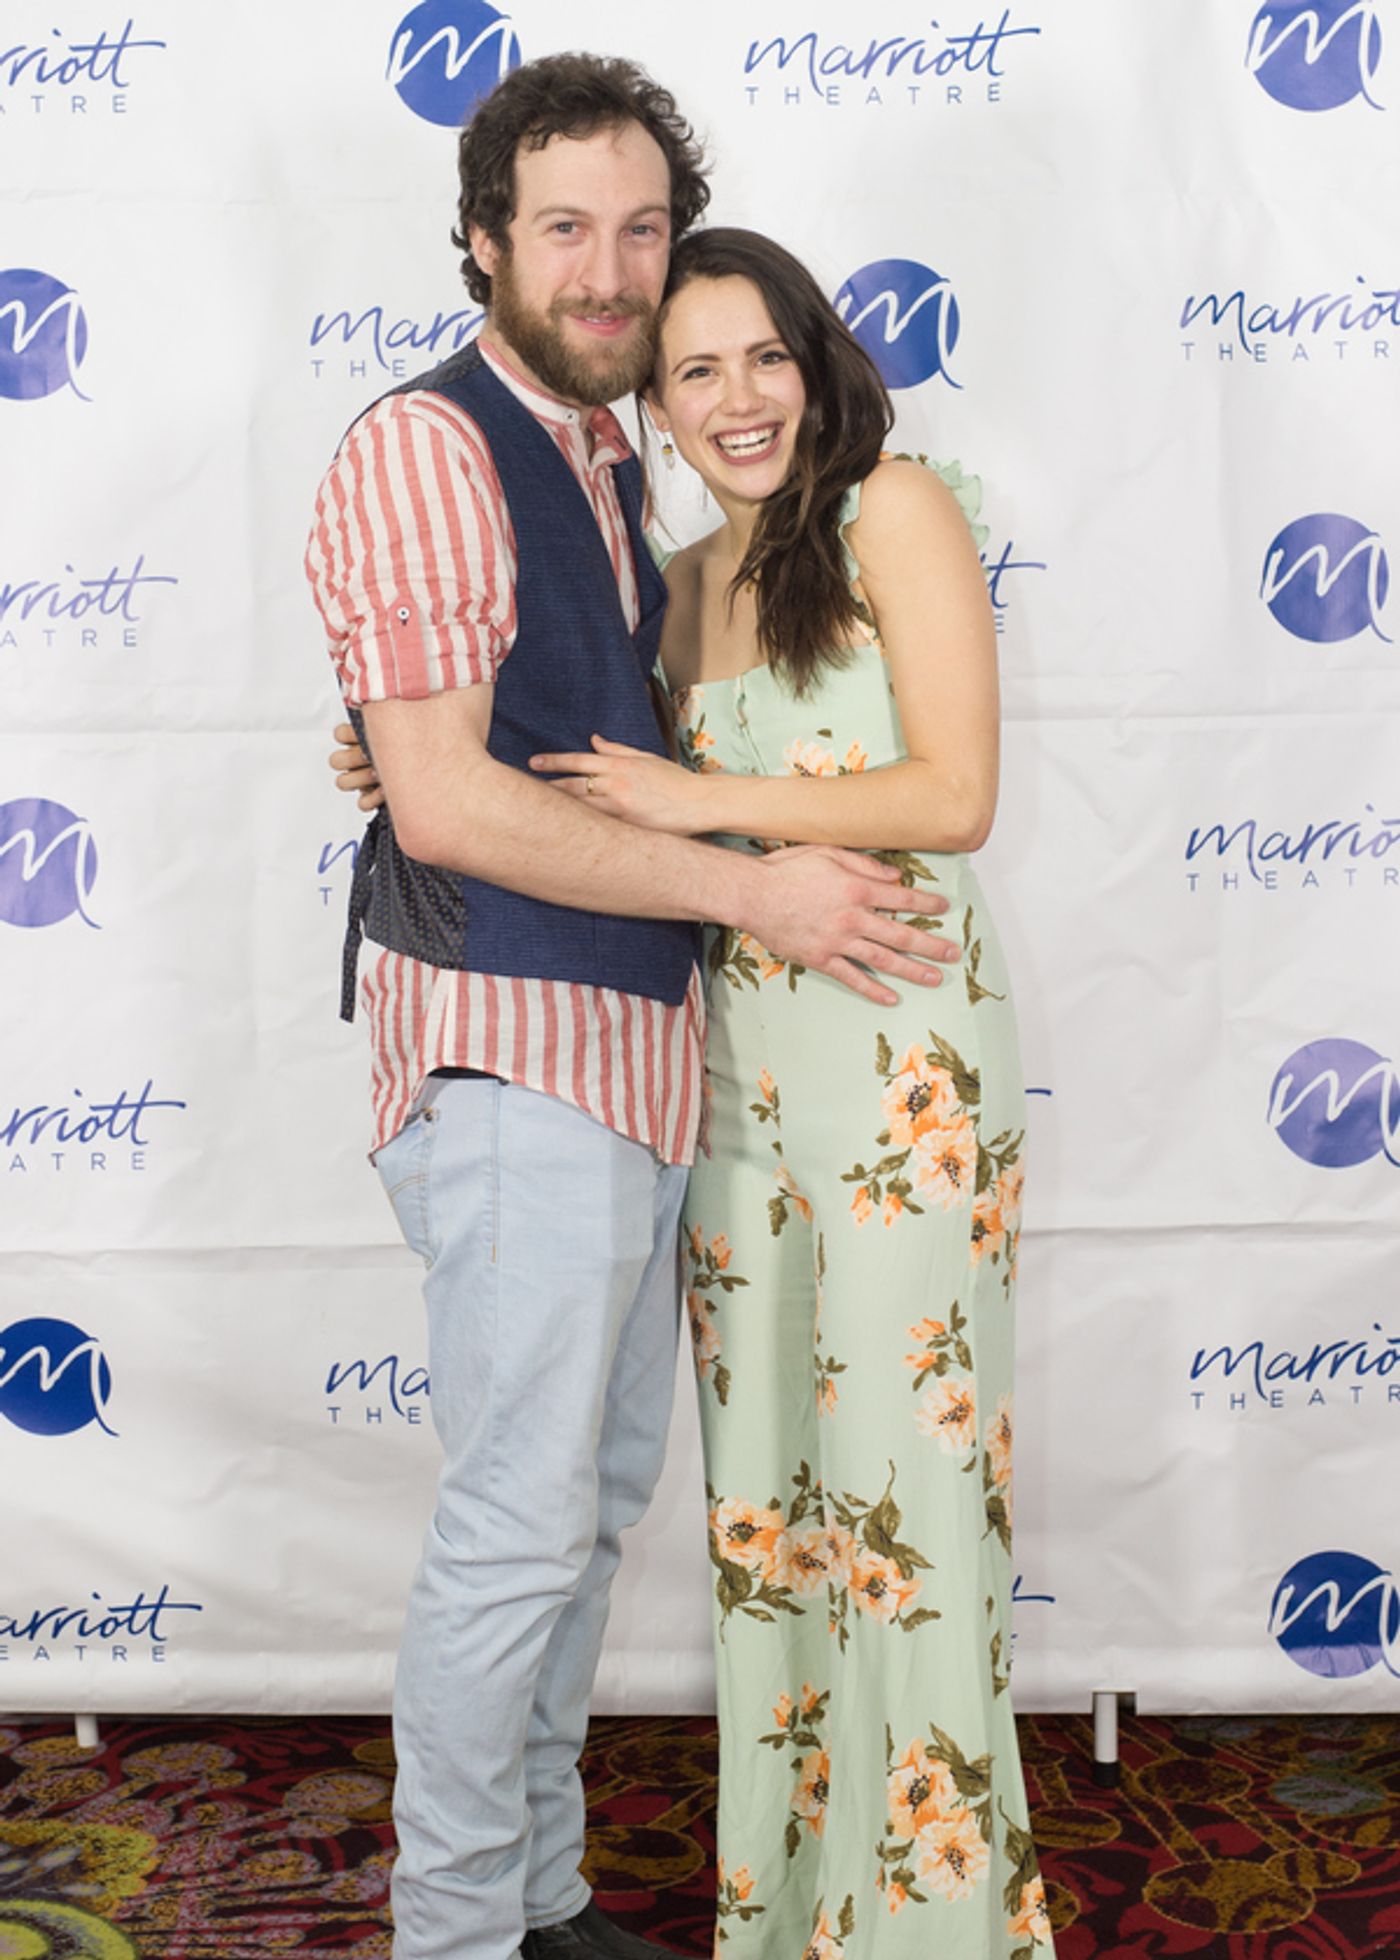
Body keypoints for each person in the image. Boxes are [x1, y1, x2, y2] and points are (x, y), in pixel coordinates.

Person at [306, 57, 963, 1960]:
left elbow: (512, 742)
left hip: (626, 1064)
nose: (610, 273)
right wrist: (755, 887)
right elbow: (448, 799)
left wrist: (412, 754)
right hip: (514, 1049)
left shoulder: (608, 455)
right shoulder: (431, 446)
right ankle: (455, 1935)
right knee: (521, 1527)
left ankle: (540, 1901)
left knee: (580, 1520)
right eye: (566, 229)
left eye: (641, 231)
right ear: (488, 242)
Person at [526, 229, 1055, 1957]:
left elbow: (955, 790)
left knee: (908, 1514)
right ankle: (797, 1925)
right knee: (768, 1523)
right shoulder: (670, 586)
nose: (737, 398)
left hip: (906, 1073)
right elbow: (568, 784)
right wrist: (386, 749)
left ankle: (940, 1932)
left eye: (765, 357)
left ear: (814, 362)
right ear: (657, 406)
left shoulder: (894, 508)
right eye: (695, 372)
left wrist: (697, 813)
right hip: (733, 1090)